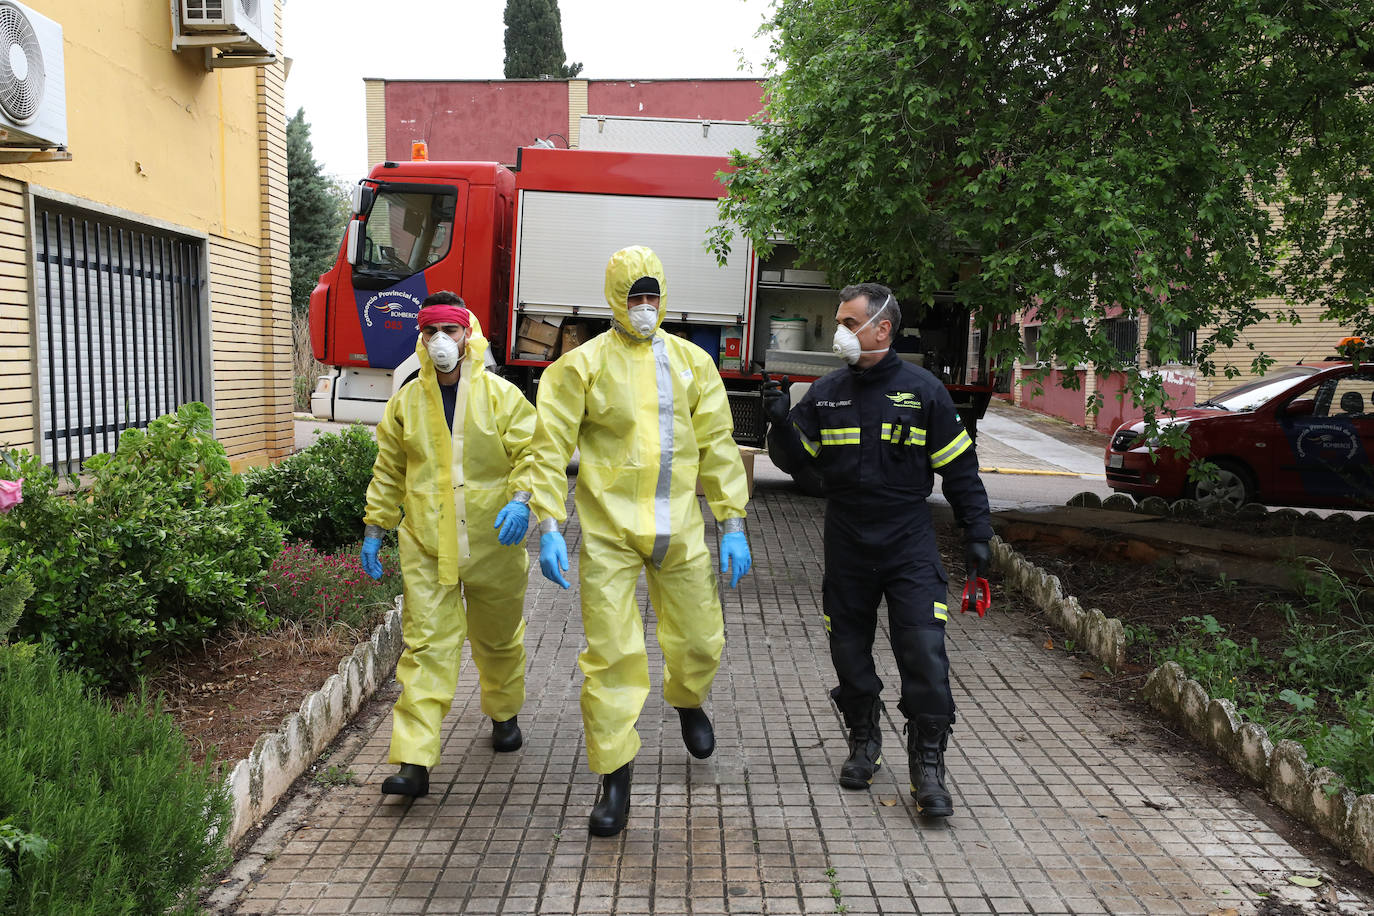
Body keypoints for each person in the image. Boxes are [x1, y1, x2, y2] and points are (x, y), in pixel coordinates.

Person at [523, 246, 753, 837]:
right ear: (614, 299)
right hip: (609, 535)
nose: (645, 307)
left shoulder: (693, 363)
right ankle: (615, 774)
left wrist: (732, 522)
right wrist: (548, 525)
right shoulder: (579, 368)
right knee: (613, 657)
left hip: (679, 530)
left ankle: (688, 698)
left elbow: (719, 445)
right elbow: (548, 450)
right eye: (635, 296)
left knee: (701, 639)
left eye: (653, 296)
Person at [764, 282, 991, 818]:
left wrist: (978, 534)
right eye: (840, 323)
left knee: (925, 654)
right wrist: (779, 422)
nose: (840, 332)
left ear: (881, 328)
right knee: (849, 653)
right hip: (846, 540)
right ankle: (864, 743)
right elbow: (802, 464)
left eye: (848, 322)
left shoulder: (925, 391)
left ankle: (928, 770)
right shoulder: (826, 393)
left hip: (908, 541)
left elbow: (960, 471)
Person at [359, 291, 537, 798]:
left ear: (468, 335)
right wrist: (376, 527)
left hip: (493, 543)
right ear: (421, 337)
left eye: (450, 331)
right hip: (426, 543)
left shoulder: (501, 397)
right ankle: (414, 760)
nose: (440, 341)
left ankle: (504, 713)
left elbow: (533, 452)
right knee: (426, 646)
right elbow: (389, 469)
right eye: (431, 331)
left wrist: (522, 500)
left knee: (498, 639)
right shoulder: (407, 401)